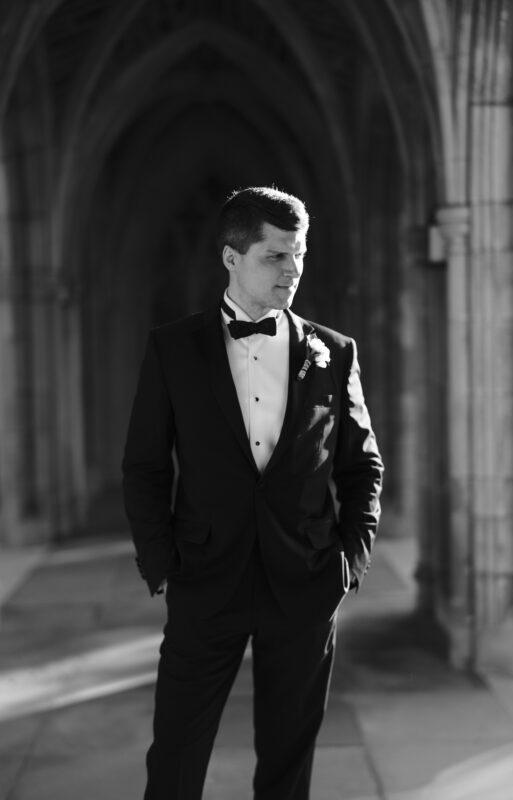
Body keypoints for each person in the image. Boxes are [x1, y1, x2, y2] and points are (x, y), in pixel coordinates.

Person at [122, 186, 384, 799]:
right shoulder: (174, 348)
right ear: (231, 258)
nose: (292, 270)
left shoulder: (333, 353)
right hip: (205, 578)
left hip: (306, 578)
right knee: (176, 759)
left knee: (290, 762)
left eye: (299, 254)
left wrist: (351, 559)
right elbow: (144, 467)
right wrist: (161, 563)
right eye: (275, 256)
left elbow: (361, 465)